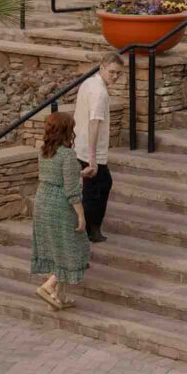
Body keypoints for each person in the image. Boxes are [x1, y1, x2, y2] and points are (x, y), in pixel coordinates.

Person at [31, 112, 90, 311]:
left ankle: (59, 297)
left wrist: (79, 172)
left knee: (55, 248)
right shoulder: (68, 154)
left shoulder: (44, 151)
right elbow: (72, 191)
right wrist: (81, 214)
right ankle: (48, 287)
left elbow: (57, 175)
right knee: (75, 247)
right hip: (60, 205)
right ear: (67, 131)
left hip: (42, 200)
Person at [74, 52, 124, 243]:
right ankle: (90, 230)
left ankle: (90, 229)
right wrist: (93, 158)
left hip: (82, 146)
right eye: (112, 72)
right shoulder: (100, 93)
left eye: (118, 74)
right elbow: (94, 122)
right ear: (102, 67)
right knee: (98, 188)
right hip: (91, 150)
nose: (115, 77)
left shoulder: (89, 82)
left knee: (94, 188)